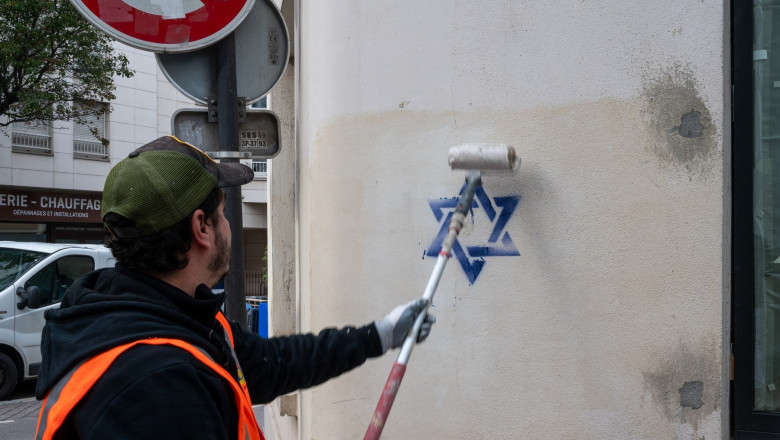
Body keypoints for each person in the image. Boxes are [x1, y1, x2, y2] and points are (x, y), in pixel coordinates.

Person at [34, 136, 435, 440]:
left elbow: (273, 363)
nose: (229, 225)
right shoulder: (158, 384)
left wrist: (378, 335)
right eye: (224, 213)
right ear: (201, 227)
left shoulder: (177, 317)